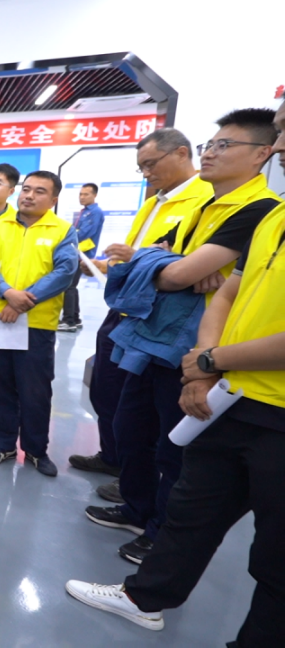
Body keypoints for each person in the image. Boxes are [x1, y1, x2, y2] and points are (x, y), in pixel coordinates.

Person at [66, 105, 285, 645]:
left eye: (224, 146)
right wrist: (206, 361)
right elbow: (218, 288)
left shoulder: (255, 207)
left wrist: (209, 357)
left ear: (259, 153)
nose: (282, 146)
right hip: (230, 389)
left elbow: (179, 272)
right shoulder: (272, 219)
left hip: (262, 399)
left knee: (274, 556)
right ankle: (145, 596)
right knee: (192, 504)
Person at [68, 129, 213, 503]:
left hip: (161, 319)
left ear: (181, 153)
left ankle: (137, 485)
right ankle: (115, 458)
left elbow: (187, 270)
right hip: (126, 309)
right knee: (107, 391)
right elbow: (147, 257)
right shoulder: (154, 202)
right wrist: (115, 264)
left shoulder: (207, 199)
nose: (146, 173)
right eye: (141, 167)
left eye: (150, 164)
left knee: (147, 411)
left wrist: (141, 261)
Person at [0, 171, 78, 477]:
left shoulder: (62, 230)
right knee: (0, 387)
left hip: (37, 323)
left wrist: (24, 300)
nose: (29, 196)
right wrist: (7, 293)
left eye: (39, 191)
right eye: (26, 189)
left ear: (53, 199)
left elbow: (65, 272)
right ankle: (4, 444)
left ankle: (36, 451)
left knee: (35, 391)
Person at [59, 183, 104, 332]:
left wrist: (64, 239)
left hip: (81, 254)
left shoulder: (94, 212)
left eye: (86, 194)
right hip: (76, 253)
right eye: (80, 194)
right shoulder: (85, 211)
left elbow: (84, 233)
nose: (82, 197)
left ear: (94, 195)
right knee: (72, 286)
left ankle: (68, 321)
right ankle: (75, 318)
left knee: (69, 286)